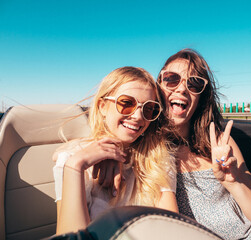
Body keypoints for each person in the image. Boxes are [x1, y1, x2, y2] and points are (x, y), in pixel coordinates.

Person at [155, 48, 251, 239]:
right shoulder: (147, 148)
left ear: (201, 98)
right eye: (172, 78)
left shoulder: (221, 142)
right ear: (158, 87)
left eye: (194, 83)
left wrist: (232, 183)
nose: (181, 88)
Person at [53, 66, 178, 235]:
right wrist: (75, 166)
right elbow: (71, 237)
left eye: (148, 109)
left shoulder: (158, 159)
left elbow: (171, 230)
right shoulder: (72, 159)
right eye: (127, 103)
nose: (138, 116)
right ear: (103, 106)